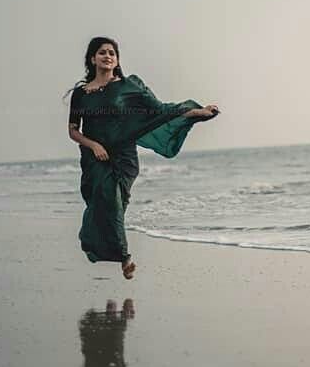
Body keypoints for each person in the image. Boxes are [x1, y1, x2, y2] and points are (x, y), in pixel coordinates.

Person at [65, 36, 219, 280]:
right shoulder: (81, 94)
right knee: (105, 201)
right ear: (92, 58)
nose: (108, 56)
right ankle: (117, 253)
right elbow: (73, 131)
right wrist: (93, 145)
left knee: (116, 202)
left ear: (116, 60)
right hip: (95, 157)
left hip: (123, 156)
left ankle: (108, 248)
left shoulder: (129, 86)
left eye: (112, 53)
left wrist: (197, 113)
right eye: (102, 52)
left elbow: (160, 111)